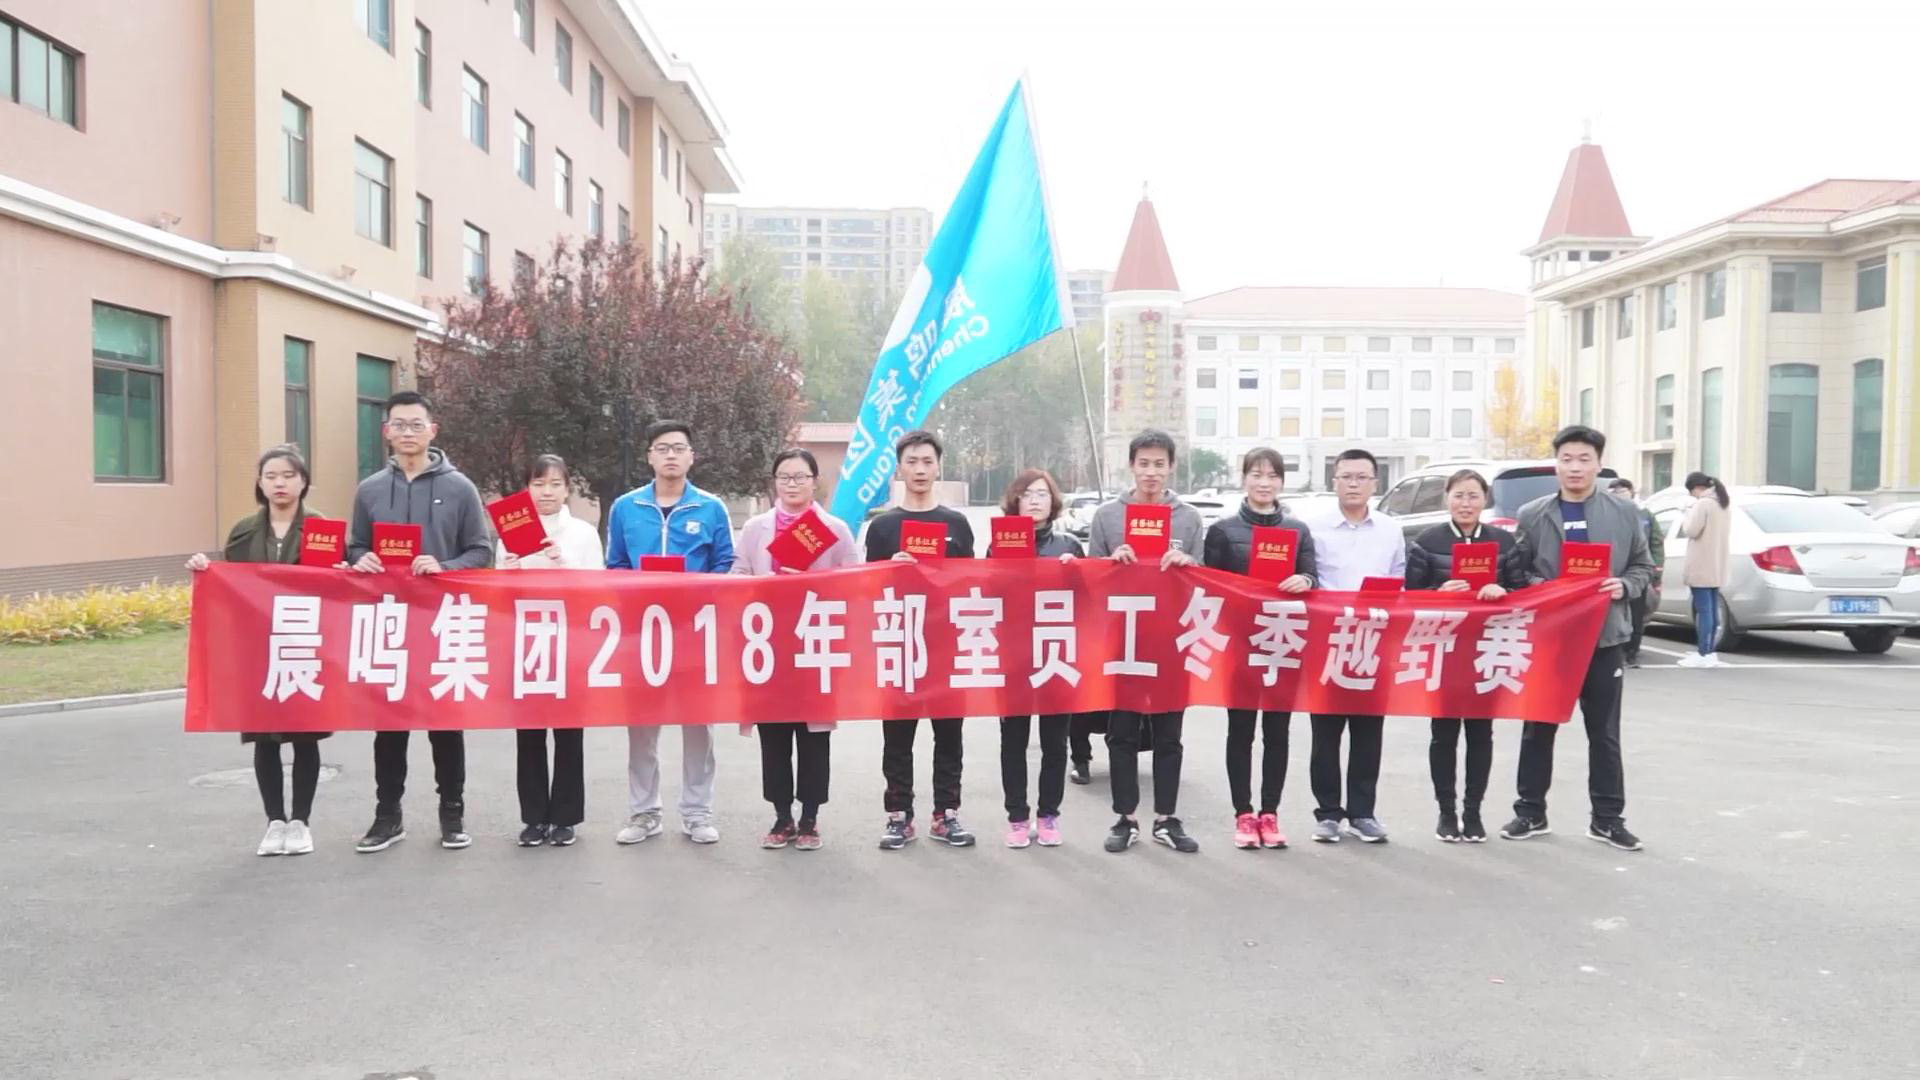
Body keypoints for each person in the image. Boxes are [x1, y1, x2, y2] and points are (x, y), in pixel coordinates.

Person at [347, 391, 494, 854]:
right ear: (386, 432)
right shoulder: (370, 490)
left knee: (445, 725)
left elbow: (482, 552)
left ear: (433, 430)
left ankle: (452, 814)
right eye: (399, 424)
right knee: (388, 727)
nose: (407, 432)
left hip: (441, 622)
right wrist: (361, 558)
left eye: (416, 424)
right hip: (389, 623)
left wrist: (444, 566)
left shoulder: (460, 488)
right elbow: (354, 546)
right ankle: (387, 816)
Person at [1504, 425, 1657, 852]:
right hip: (1551, 639)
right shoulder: (1533, 514)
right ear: (1556, 464)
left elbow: (1642, 567)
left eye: (1584, 459)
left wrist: (1623, 586)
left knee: (1604, 734)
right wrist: (1549, 590)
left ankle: (1607, 819)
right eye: (1566, 459)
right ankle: (1530, 812)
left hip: (1604, 637)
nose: (1574, 467)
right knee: (1538, 728)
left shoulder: (1624, 513)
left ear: (1598, 464)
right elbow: (1518, 572)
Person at [186, 445, 330, 857]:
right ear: (260, 483)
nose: (279, 483)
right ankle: (274, 822)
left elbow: (336, 585)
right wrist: (204, 569)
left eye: (288, 475)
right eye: (271, 476)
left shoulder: (322, 528)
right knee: (265, 738)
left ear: (303, 481)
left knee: (304, 736)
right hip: (259, 647)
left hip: (304, 644)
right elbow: (228, 584)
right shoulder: (244, 531)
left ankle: (300, 821)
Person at [606, 420, 736, 846]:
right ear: (650, 457)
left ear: (691, 457)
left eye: (679, 448)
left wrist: (698, 594)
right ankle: (644, 812)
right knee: (642, 727)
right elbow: (615, 565)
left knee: (697, 726)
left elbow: (725, 564)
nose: (671, 455)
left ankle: (697, 813)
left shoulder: (711, 508)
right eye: (662, 448)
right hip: (642, 633)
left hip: (694, 632)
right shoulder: (626, 507)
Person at [731, 448, 859, 850]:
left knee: (813, 737)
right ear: (774, 482)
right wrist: (764, 584)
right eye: (784, 477)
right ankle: (782, 816)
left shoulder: (834, 529)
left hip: (815, 642)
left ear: (814, 482)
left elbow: (854, 584)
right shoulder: (756, 528)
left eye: (800, 477)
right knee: (774, 735)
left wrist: (809, 581)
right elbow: (736, 576)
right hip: (768, 645)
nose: (792, 484)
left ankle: (810, 819)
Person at [1087, 430, 1204, 855]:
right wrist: (1110, 562)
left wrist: (1188, 563)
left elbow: (1203, 578)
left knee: (1169, 735)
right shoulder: (1107, 516)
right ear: (1131, 466)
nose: (1151, 472)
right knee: (1121, 733)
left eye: (1159, 464)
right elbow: (1090, 577)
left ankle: (1166, 818)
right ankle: (1126, 817)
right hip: (1123, 641)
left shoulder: (1188, 518)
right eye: (1144, 464)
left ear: (1171, 467)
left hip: (1172, 640)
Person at [864, 430, 978, 850]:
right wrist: (889, 570)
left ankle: (946, 813)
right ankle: (899, 815)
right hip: (900, 643)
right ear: (899, 468)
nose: (920, 469)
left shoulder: (956, 524)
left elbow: (974, 583)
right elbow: (866, 589)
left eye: (927, 461)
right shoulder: (882, 527)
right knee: (897, 737)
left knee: (949, 735)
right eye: (911, 461)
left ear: (938, 466)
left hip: (946, 645)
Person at [1404, 469, 1530, 844]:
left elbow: (1523, 592)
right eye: (1458, 495)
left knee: (1480, 734)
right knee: (1443, 734)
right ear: (1447, 497)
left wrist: (1502, 590)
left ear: (1485, 499)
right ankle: (1446, 813)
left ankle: (1473, 813)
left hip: (1488, 647)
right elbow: (1409, 597)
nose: (1465, 503)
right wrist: (1438, 592)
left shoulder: (1503, 542)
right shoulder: (1428, 541)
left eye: (1473, 496)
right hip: (1444, 648)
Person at [1203, 449, 1316, 850]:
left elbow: (1312, 575)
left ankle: (1270, 813)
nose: (1264, 482)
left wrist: (1305, 580)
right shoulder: (1222, 531)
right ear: (1244, 479)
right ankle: (1243, 814)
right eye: (1256, 474)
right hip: (1240, 643)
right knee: (1241, 731)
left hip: (1283, 640)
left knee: (1277, 731)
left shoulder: (1298, 531)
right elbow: (1210, 586)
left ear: (1281, 482)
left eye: (1272, 475)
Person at [1297, 448, 1406, 844]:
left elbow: (1400, 579)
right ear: (1335, 481)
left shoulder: (1390, 530)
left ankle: (1362, 813)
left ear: (1375, 483)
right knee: (1325, 732)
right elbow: (1308, 577)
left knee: (1368, 731)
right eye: (1346, 477)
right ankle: (1328, 813)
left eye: (1362, 477)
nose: (1354, 484)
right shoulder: (1314, 528)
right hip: (1327, 640)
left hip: (1374, 640)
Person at [497, 454, 604, 848]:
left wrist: (564, 561)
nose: (546, 492)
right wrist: (507, 570)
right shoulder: (509, 533)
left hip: (569, 640)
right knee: (529, 734)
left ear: (567, 489)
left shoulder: (583, 533)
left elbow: (598, 587)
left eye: (555, 484)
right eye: (538, 484)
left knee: (568, 733)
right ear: (527, 488)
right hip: (526, 640)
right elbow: (497, 594)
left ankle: (565, 818)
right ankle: (534, 818)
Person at [993, 468, 1085, 849]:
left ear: (1053, 502)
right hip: (1014, 655)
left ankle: (1049, 815)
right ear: (1015, 501)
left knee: (1055, 742)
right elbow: (984, 592)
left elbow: (1090, 600)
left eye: (1042, 494)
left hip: (1055, 654)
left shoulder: (1069, 545)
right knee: (1013, 741)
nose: (1034, 500)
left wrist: (1075, 573)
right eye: (1027, 494)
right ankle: (1017, 817)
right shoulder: (999, 544)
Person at [1675, 472, 1731, 669]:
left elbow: (1691, 530)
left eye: (1692, 493)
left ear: (1697, 488)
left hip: (1701, 564)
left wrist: (1686, 513)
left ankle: (1702, 653)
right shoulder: (1723, 503)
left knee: (1704, 611)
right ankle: (1710, 652)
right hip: (1717, 565)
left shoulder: (1703, 504)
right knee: (1712, 610)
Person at [1608, 478, 1665, 668]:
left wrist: (1656, 570)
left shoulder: (1645, 515)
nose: (1621, 495)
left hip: (1637, 573)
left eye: (1624, 491)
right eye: (1616, 491)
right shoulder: (1605, 513)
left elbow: (1656, 542)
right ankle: (1617, 652)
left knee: (1637, 615)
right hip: (1613, 574)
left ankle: (1632, 653)